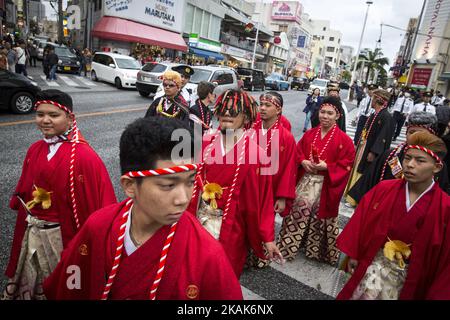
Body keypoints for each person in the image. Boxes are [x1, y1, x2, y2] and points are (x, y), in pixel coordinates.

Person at [43, 117, 242, 300]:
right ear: (130, 186)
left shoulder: (206, 254)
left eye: (190, 182)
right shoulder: (98, 227)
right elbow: (69, 287)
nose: (183, 199)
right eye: (168, 185)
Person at [2, 89, 117, 300]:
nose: (45, 120)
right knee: (30, 277)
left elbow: (99, 203)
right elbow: (25, 187)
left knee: (62, 284)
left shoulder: (84, 156)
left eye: (54, 115)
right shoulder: (35, 149)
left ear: (70, 118)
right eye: (40, 114)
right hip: (32, 229)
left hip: (61, 237)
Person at [337, 131, 450, 300]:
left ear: (437, 166)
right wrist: (354, 254)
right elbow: (361, 221)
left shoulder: (445, 207)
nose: (410, 165)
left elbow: (445, 259)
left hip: (411, 277)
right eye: (407, 157)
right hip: (374, 266)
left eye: (420, 161)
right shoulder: (384, 188)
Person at [188, 89, 283, 277]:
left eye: (234, 111)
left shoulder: (257, 154)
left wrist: (268, 238)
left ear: (246, 116)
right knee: (190, 272)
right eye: (223, 109)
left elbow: (263, 200)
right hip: (197, 221)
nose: (227, 114)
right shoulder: (205, 143)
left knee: (220, 277)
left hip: (231, 228)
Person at [277, 96, 355, 265]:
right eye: (322, 112)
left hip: (326, 183)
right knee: (298, 210)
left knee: (320, 217)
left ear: (338, 116)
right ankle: (287, 247)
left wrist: (327, 167)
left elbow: (347, 164)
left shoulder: (345, 141)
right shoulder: (310, 134)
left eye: (329, 113)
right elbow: (297, 152)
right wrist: (303, 161)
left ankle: (316, 250)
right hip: (306, 180)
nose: (325, 116)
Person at [348, 112, 450, 203]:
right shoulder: (390, 155)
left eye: (422, 133)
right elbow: (369, 182)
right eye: (412, 132)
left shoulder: (436, 163)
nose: (415, 137)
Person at [344, 89, 395, 207]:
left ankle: (356, 199)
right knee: (358, 169)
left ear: (378, 100)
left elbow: (383, 136)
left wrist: (373, 152)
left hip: (371, 150)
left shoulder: (386, 116)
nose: (371, 101)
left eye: (373, 98)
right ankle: (351, 196)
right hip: (364, 147)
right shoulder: (375, 113)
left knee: (365, 172)